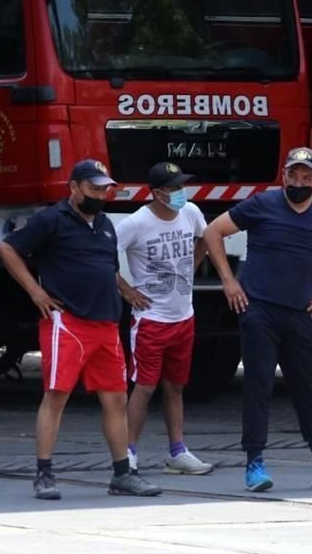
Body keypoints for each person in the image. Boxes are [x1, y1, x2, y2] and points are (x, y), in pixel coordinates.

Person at [203, 146, 312, 492]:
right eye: (293, 174)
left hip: (302, 314)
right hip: (259, 308)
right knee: (258, 385)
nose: (299, 181)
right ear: (284, 176)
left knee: (309, 388)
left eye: (306, 176)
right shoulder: (263, 204)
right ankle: (255, 464)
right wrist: (229, 281)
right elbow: (213, 232)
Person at [0, 159, 162, 499]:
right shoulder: (51, 219)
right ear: (74, 188)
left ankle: (121, 473)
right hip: (68, 321)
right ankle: (44, 473)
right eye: (93, 188)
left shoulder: (104, 224)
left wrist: (125, 289)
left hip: (105, 322)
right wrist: (35, 291)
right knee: (57, 395)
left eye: (105, 189)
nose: (100, 194)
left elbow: (106, 267)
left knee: (116, 398)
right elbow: (8, 248)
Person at [117, 162, 213, 476]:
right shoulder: (136, 223)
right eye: (173, 188)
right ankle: (128, 452)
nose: (180, 193)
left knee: (176, 387)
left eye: (181, 186)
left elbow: (206, 238)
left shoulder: (192, 213)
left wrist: (192, 266)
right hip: (150, 320)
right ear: (157, 193)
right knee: (144, 387)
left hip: (184, 316)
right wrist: (127, 290)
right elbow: (102, 256)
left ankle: (177, 451)